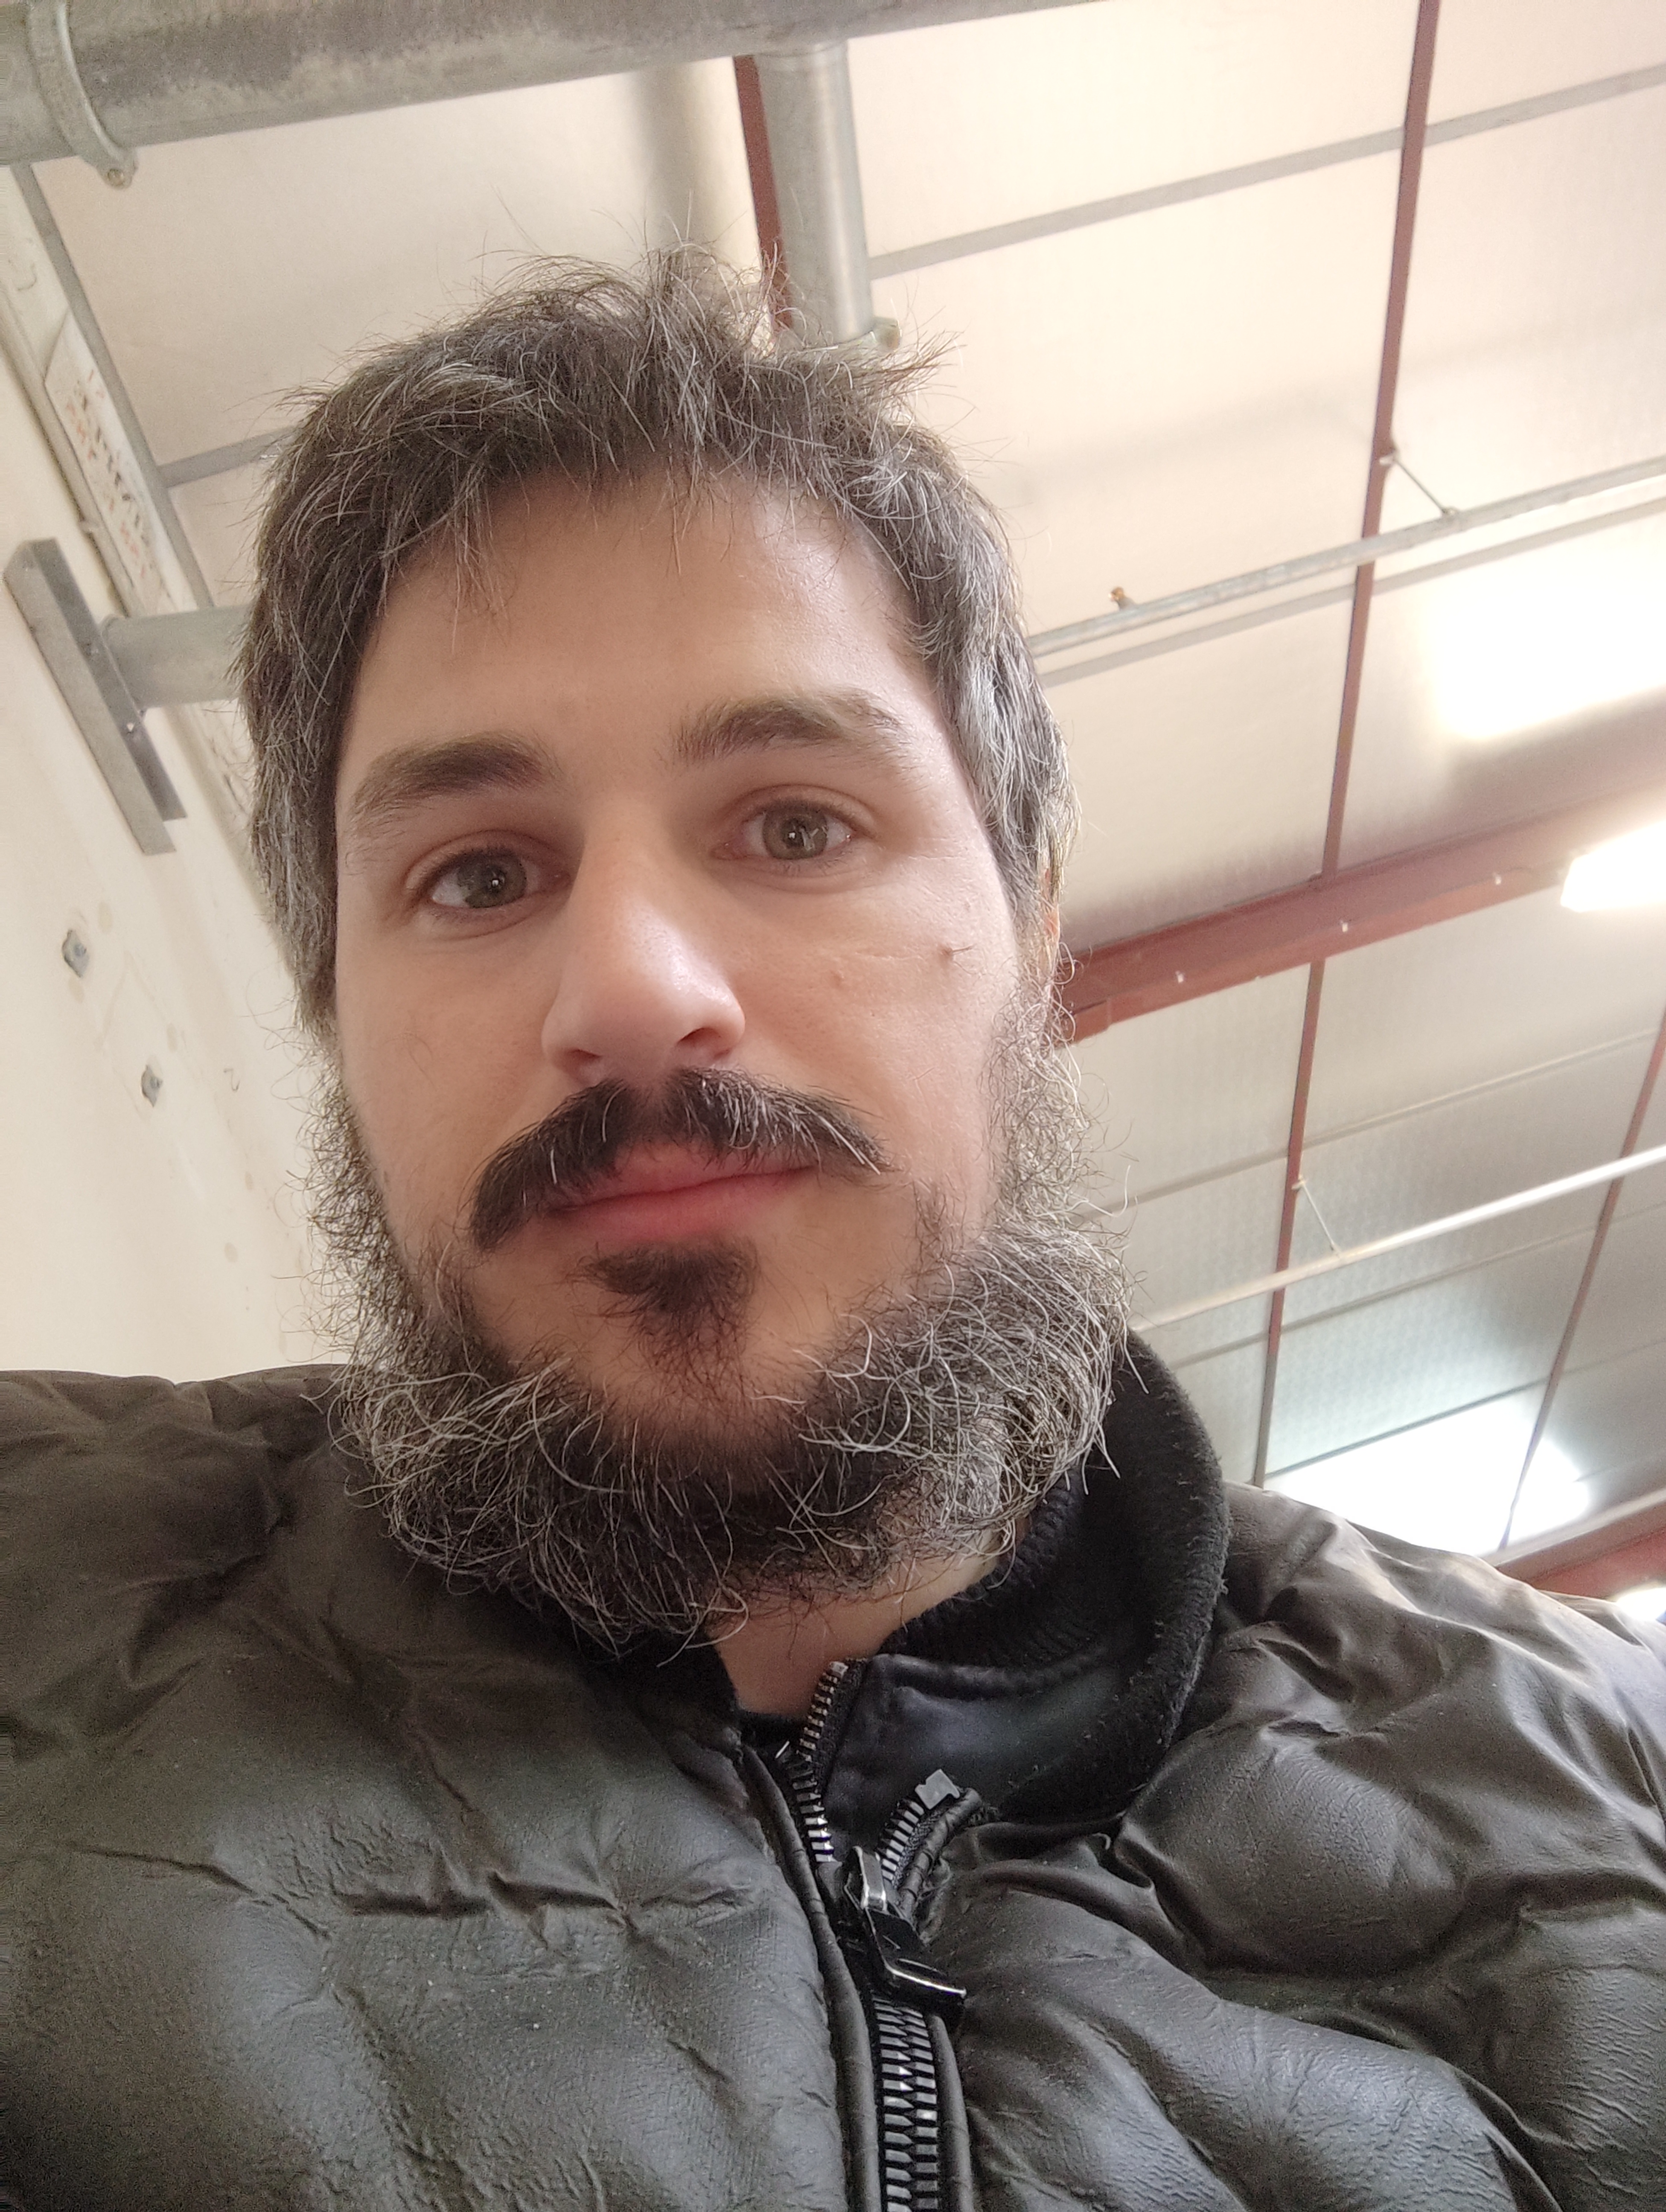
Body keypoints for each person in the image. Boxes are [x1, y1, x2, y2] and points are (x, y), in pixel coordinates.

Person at [2, 254, 1662, 2212]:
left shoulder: (1609, 1793)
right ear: (335, 1017)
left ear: (1030, 929)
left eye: (795, 825)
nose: (631, 987)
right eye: (475, 875)